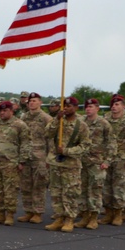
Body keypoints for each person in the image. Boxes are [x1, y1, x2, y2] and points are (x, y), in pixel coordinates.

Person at [44, 97, 88, 232]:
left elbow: (85, 146)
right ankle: (59, 217)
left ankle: (69, 219)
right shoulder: (58, 121)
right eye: (64, 106)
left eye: (70, 106)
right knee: (56, 191)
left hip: (71, 164)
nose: (66, 108)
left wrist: (67, 151)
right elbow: (47, 133)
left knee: (70, 192)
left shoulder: (81, 125)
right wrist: (57, 119)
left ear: (76, 108)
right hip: (56, 162)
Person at [0, 101, 30, 225]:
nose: (2, 113)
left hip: (11, 161)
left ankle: (10, 215)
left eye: (5, 111)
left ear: (12, 111)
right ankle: (0, 214)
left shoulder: (19, 125)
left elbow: (26, 144)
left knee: (10, 189)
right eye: (0, 111)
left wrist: (22, 161)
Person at [100, 95, 125, 226]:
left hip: (122, 159)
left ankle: (118, 214)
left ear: (123, 107)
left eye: (117, 104)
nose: (114, 107)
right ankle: (108, 213)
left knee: (119, 188)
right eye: (113, 104)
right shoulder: (105, 120)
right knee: (106, 187)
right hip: (107, 159)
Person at [74, 98, 114, 229]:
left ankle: (94, 218)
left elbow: (111, 143)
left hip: (97, 162)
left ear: (97, 108)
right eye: (87, 106)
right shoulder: (80, 122)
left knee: (95, 191)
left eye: (91, 106)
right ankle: (85, 215)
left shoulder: (104, 123)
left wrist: (107, 161)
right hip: (82, 161)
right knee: (82, 190)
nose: (88, 109)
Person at [17, 92, 52, 224]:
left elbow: (51, 139)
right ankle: (28, 211)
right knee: (25, 185)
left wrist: (49, 157)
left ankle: (37, 212)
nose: (32, 103)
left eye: (35, 101)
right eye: (30, 101)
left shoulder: (46, 118)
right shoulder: (24, 117)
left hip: (40, 156)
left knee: (39, 185)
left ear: (40, 103)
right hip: (25, 156)